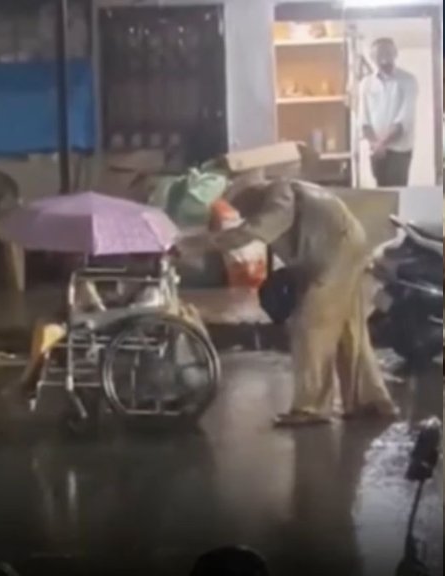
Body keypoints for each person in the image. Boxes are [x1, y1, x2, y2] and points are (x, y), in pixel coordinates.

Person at [178, 178, 399, 427]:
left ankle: (312, 407)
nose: (241, 211)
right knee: (349, 330)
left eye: (241, 204)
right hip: (342, 250)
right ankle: (370, 401)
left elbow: (258, 229)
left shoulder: (279, 193)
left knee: (310, 327)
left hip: (337, 254)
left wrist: (197, 244)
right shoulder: (287, 192)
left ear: (254, 193)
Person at [360, 37, 418, 188]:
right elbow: (363, 120)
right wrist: (375, 144)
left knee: (398, 191)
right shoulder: (366, 84)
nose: (384, 57)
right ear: (372, 58)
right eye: (379, 54)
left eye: (387, 52)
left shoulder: (408, 80)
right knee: (381, 192)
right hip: (376, 150)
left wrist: (382, 143)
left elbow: (404, 119)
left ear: (395, 53)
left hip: (399, 150)